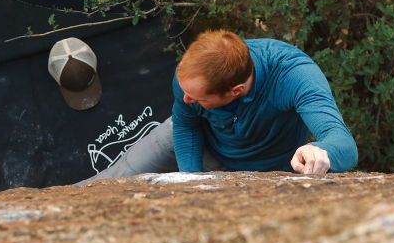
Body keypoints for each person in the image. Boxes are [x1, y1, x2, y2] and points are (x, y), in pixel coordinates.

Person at [83, 30, 358, 181]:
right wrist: (191, 179)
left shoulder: (294, 76)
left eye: (199, 97)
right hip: (196, 140)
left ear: (235, 90)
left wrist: (321, 150)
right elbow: (186, 121)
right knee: (111, 180)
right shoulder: (191, 78)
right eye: (185, 91)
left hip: (259, 168)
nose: (186, 98)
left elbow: (344, 144)